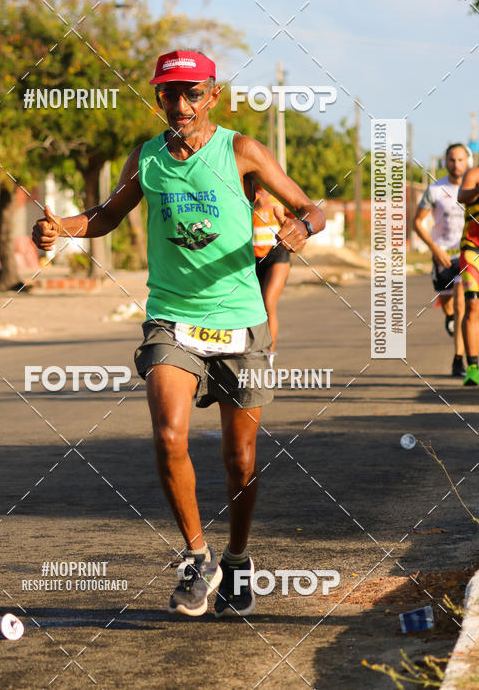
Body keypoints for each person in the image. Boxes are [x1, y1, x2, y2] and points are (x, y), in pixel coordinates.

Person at [32, 49, 325, 617]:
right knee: (169, 436)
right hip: (171, 318)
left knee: (239, 458)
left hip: (240, 320)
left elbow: (311, 205)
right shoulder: (147, 159)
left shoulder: (241, 151)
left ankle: (238, 558)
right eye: (169, 93)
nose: (181, 104)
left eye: (192, 92)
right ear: (158, 97)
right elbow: (107, 214)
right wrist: (59, 227)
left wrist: (301, 227)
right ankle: (198, 558)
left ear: (213, 94)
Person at [413, 144, 468, 377]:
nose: (456, 165)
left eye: (460, 160)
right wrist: (434, 249)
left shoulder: (474, 188)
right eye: (451, 160)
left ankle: (459, 359)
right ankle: (451, 319)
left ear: (468, 161)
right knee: (450, 308)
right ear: (445, 162)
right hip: (443, 255)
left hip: (467, 254)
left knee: (461, 303)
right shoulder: (435, 190)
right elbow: (417, 222)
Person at [253, 184, 291, 352]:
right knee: (256, 307)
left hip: (277, 254)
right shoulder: (246, 192)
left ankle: (269, 355)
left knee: (268, 303)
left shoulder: (281, 193)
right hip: (252, 256)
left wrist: (286, 221)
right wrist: (254, 207)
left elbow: (295, 220)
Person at [458, 160, 479, 386]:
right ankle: (473, 366)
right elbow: (461, 196)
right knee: (472, 303)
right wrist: (476, 190)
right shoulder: (475, 173)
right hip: (473, 247)